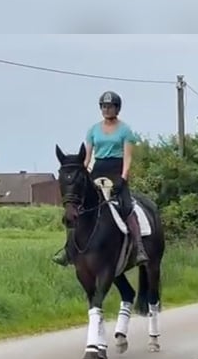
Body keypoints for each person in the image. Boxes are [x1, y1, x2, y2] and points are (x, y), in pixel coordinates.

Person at [53, 90, 149, 267]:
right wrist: (82, 172)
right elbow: (88, 156)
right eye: (104, 106)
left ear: (117, 108)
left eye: (110, 106)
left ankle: (139, 248)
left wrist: (123, 177)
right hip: (97, 171)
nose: (106, 109)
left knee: (127, 206)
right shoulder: (93, 130)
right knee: (77, 209)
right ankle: (69, 250)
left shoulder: (125, 130)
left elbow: (127, 157)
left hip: (116, 170)